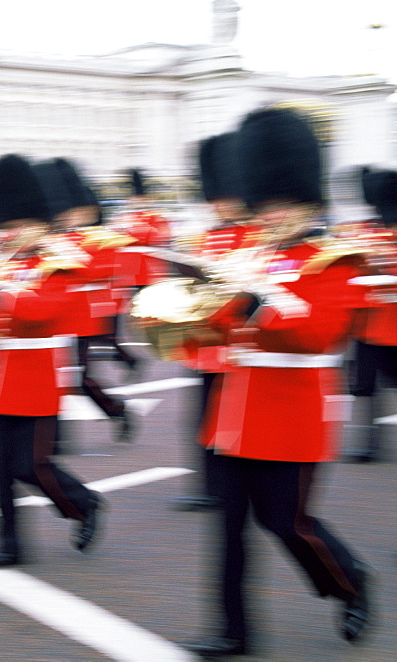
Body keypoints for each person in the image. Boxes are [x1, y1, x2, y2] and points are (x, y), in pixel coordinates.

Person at [182, 108, 374, 657]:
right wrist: (185, 314)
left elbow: (321, 332)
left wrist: (255, 302)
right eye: (265, 206)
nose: (272, 216)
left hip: (291, 414)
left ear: (311, 204)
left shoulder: (333, 259)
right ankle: (232, 629)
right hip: (232, 413)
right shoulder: (250, 255)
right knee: (228, 528)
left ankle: (351, 579)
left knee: (287, 523)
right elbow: (218, 327)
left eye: (283, 206)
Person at [0, 154, 104, 568]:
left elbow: (42, 311)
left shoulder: (60, 264)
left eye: (22, 226)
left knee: (31, 464)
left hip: (38, 374)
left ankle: (83, 502)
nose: (13, 234)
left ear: (43, 225)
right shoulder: (3, 264)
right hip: (0, 376)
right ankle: (10, 544)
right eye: (9, 226)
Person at [169, 132, 262, 512]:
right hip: (206, 340)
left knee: (233, 417)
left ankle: (233, 487)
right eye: (217, 199)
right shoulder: (206, 238)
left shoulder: (256, 237)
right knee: (203, 416)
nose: (221, 206)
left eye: (227, 198)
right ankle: (210, 486)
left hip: (239, 342)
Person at [45, 158, 137, 442]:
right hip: (55, 317)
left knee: (79, 378)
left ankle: (116, 409)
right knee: (54, 379)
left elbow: (102, 270)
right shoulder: (56, 238)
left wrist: (69, 259)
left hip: (84, 318)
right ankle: (54, 437)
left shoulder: (101, 238)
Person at [339, 167, 397, 463]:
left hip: (392, 323)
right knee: (365, 388)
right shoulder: (364, 230)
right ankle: (370, 444)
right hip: (368, 323)